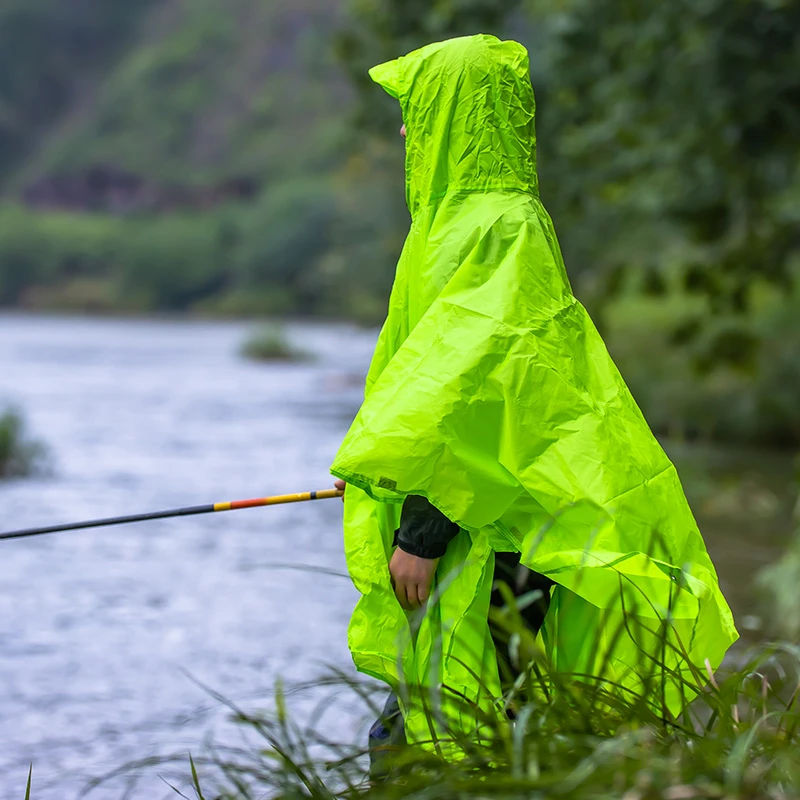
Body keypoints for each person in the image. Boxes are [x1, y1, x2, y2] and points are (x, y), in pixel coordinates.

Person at [331, 33, 737, 773]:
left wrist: (422, 529)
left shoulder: (495, 227)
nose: (401, 128)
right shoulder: (455, 224)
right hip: (485, 513)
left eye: (415, 108)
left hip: (500, 525)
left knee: (439, 736)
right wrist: (385, 474)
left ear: (454, 111)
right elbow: (428, 380)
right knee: (453, 725)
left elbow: (481, 384)